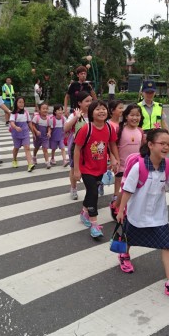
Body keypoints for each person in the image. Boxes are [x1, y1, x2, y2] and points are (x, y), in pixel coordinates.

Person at [116, 128, 169, 298]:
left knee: (167, 245)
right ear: (150, 145)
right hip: (136, 214)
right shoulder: (139, 166)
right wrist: (120, 210)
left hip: (158, 215)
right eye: (162, 143)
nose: (166, 147)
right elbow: (127, 190)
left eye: (168, 144)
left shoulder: (168, 165)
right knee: (128, 237)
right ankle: (123, 254)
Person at [73, 100, 119, 238]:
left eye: (104, 109)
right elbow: (77, 149)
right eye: (98, 109)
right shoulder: (86, 129)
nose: (101, 111)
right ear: (91, 113)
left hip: (101, 168)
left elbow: (112, 145)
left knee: (92, 193)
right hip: (86, 168)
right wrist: (76, 169)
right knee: (93, 193)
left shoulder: (110, 128)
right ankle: (94, 225)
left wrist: (116, 159)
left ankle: (84, 212)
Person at [109, 103, 145, 221]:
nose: (135, 118)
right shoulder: (119, 129)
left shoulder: (140, 131)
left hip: (136, 167)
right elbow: (112, 144)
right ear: (126, 116)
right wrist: (115, 159)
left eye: (137, 115)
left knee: (130, 189)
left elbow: (144, 148)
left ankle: (125, 208)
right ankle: (115, 206)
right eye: (132, 115)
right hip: (122, 166)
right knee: (121, 189)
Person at [64, 91, 92, 200]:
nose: (89, 103)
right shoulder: (74, 114)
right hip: (75, 146)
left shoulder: (93, 114)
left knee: (89, 167)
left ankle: (92, 188)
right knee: (73, 167)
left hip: (90, 146)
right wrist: (76, 117)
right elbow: (66, 128)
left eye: (91, 100)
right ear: (80, 103)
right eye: (87, 101)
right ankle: (73, 188)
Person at [9, 96, 35, 171]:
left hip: (25, 133)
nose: (21, 104)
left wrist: (33, 132)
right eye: (19, 102)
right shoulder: (13, 113)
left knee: (27, 148)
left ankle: (30, 164)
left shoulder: (26, 112)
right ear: (16, 103)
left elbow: (29, 123)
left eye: (22, 102)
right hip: (16, 134)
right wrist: (16, 127)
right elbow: (12, 123)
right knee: (16, 148)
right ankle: (14, 160)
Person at [30, 102, 52, 168]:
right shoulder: (36, 117)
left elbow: (49, 127)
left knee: (45, 149)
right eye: (43, 109)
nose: (45, 110)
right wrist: (36, 131)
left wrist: (49, 132)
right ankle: (34, 156)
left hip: (45, 137)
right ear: (39, 110)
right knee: (36, 147)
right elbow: (32, 125)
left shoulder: (48, 119)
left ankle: (47, 162)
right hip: (37, 136)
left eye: (46, 109)